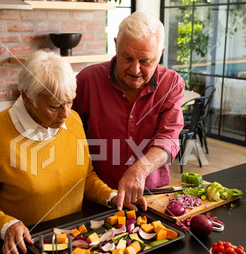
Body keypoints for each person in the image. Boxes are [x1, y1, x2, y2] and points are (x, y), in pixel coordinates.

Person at [0, 50, 117, 254]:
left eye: (70, 101)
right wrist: (7, 225)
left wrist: (111, 196)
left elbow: (85, 177)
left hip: (71, 244)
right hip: (19, 251)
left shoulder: (73, 121)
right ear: (26, 96)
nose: (65, 114)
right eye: (55, 106)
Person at [73, 12, 185, 211]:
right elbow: (68, 134)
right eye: (127, 58)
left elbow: (168, 138)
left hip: (150, 198)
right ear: (116, 44)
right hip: (97, 198)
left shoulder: (172, 83)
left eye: (145, 61)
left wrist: (139, 170)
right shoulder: (86, 80)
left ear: (161, 53)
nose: (135, 69)